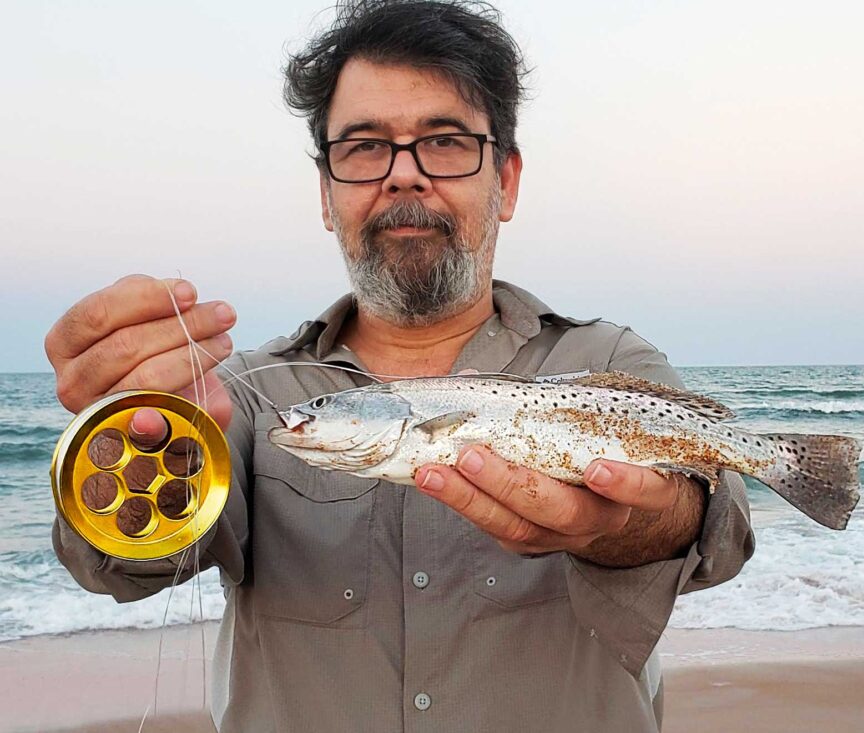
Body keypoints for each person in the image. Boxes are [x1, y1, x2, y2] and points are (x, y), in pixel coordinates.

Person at [45, 2, 754, 730]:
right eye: (363, 147)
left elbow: (718, 530)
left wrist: (636, 519)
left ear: (505, 181)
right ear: (326, 193)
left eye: (444, 142)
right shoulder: (246, 400)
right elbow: (118, 562)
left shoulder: (606, 360)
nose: (403, 176)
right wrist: (118, 434)